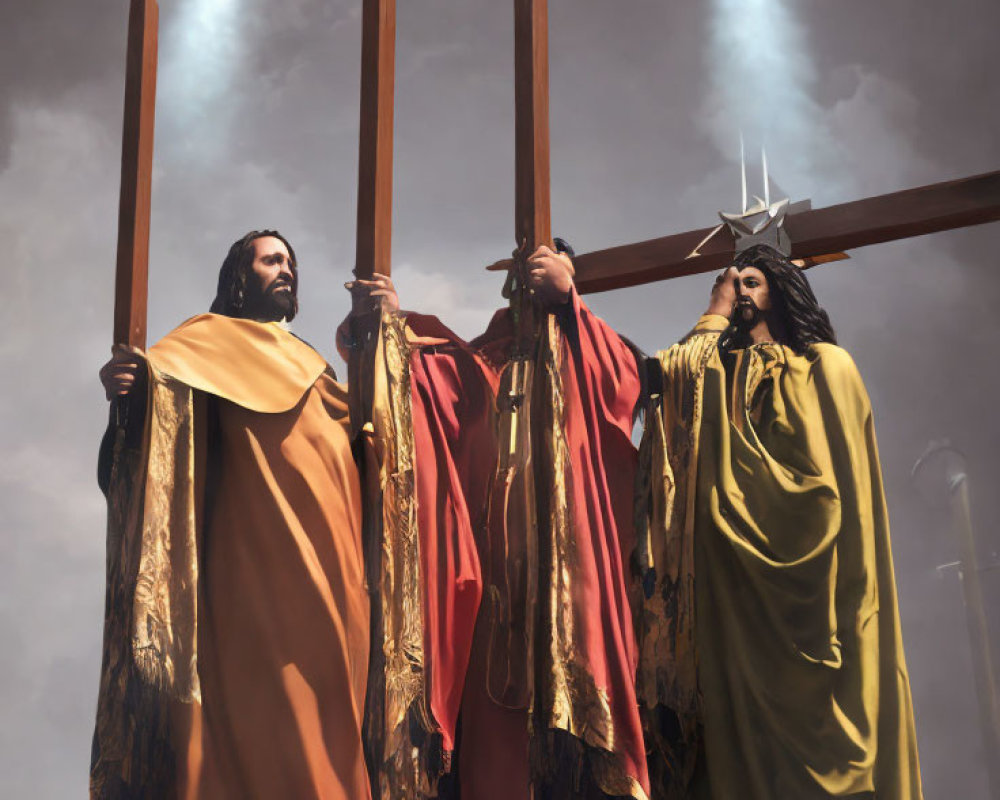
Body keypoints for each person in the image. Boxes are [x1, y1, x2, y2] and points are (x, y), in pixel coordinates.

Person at [91, 230, 390, 799]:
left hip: (335, 570)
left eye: (291, 261)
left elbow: (377, 443)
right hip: (254, 569)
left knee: (336, 712)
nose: (287, 269)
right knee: (271, 713)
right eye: (272, 259)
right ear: (238, 276)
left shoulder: (314, 362)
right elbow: (153, 459)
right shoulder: (201, 347)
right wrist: (129, 401)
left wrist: (386, 339)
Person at [354, 242, 650, 799]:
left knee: (582, 728)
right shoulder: (482, 362)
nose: (528, 277)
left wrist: (569, 304)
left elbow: (624, 385)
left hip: (571, 577)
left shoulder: (584, 346)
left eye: (542, 264)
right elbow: (424, 388)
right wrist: (389, 327)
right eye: (522, 269)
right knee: (494, 748)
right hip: (493, 581)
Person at [634, 243, 923, 799]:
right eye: (732, 281)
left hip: (818, 589)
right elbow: (671, 382)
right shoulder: (717, 370)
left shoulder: (826, 366)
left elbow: (845, 488)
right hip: (736, 597)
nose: (741, 291)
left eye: (753, 281)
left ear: (782, 291)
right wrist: (713, 313)